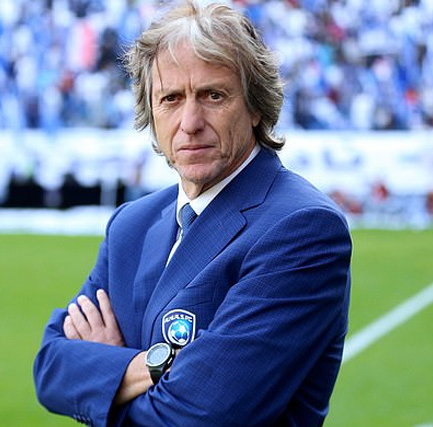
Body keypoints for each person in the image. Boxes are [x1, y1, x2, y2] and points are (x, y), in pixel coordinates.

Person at [33, 2, 352, 426]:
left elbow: (200, 416)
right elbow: (51, 367)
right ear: (150, 112)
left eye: (213, 95)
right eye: (171, 99)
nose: (190, 122)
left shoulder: (302, 228)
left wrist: (104, 378)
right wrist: (155, 367)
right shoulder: (132, 225)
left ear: (256, 106)